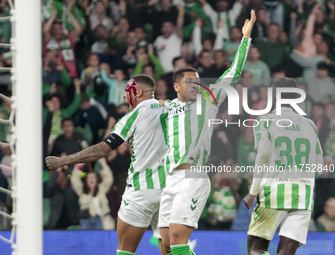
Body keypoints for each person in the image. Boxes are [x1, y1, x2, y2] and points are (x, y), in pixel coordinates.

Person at [158, 10, 255, 255]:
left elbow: (232, 73)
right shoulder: (167, 108)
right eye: (190, 82)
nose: (196, 85)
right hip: (168, 179)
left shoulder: (207, 101)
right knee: (166, 246)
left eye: (198, 81)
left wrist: (245, 39)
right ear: (176, 86)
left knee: (179, 241)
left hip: (193, 177)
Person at [45, 74, 168, 255]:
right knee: (170, 249)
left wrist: (63, 160)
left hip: (142, 191)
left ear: (139, 92)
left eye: (127, 92)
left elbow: (102, 150)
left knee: (125, 249)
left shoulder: (133, 116)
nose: (125, 97)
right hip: (169, 190)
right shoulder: (173, 109)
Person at [243, 78, 324, 255]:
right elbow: (319, 167)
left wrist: (253, 191)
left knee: (256, 248)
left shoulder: (265, 121)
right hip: (304, 194)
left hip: (275, 190)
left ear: (273, 97)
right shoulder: (310, 125)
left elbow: (263, 155)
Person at [71, 158, 115, 230]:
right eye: (89, 177)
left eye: (93, 177)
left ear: (97, 179)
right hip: (86, 219)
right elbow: (74, 180)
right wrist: (77, 167)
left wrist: (104, 164)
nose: (91, 179)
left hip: (100, 218)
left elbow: (109, 179)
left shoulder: (101, 189)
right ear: (86, 180)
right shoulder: (82, 191)